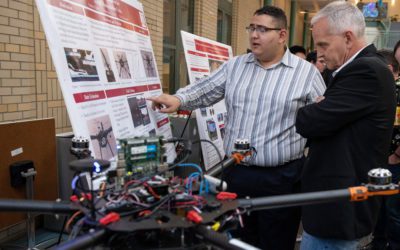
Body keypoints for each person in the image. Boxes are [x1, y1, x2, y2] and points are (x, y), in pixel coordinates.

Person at [148, 5, 326, 250]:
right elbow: (205, 89)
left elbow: (323, 121)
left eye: (263, 29)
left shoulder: (306, 74)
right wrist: (178, 99)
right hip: (236, 173)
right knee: (235, 241)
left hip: (282, 179)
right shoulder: (235, 66)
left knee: (276, 241)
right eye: (252, 28)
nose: (254, 35)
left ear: (282, 35)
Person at [295, 2, 396, 249]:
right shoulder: (350, 69)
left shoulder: (366, 70)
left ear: (348, 38)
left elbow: (308, 122)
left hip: (337, 210)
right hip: (334, 207)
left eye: (323, 44)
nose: (318, 53)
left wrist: (316, 109)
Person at [368, 49, 400, 250]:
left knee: (392, 212)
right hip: (381, 159)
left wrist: (396, 156)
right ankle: (379, 243)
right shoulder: (384, 88)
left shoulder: (396, 89)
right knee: (379, 210)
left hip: (393, 161)